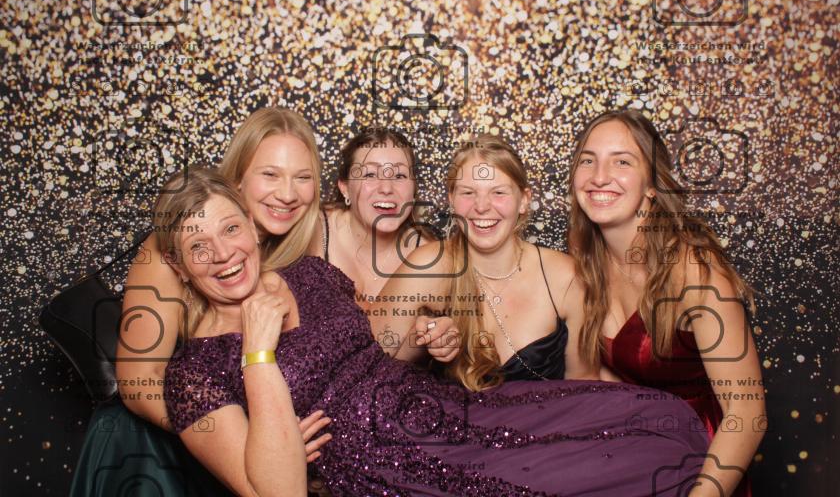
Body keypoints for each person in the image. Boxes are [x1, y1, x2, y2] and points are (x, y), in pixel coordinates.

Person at [161, 168, 709, 495]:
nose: (223, 253)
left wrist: (432, 335)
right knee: (617, 474)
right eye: (198, 247)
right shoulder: (192, 372)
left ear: (252, 228)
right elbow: (278, 491)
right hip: (395, 471)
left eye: (230, 228)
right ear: (180, 268)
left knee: (660, 420)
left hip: (451, 411)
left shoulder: (311, 274)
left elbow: (381, 347)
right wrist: (259, 358)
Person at [70, 108, 332, 496]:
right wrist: (245, 437)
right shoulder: (165, 251)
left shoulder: (306, 238)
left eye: (303, 178)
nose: (288, 193)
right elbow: (139, 381)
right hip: (157, 443)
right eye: (270, 175)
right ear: (237, 179)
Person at [567, 109, 765, 496]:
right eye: (587, 160)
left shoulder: (695, 272)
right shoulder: (584, 257)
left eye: (622, 162)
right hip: (631, 458)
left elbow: (747, 413)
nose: (599, 176)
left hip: (701, 464)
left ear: (652, 186)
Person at [370, 134, 594, 386]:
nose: (482, 206)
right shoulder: (427, 266)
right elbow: (365, 365)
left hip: (551, 412)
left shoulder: (566, 276)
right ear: (451, 200)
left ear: (524, 200)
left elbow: (584, 387)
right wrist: (419, 342)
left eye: (498, 192)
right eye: (468, 192)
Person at [319, 127, 428, 304]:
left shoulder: (429, 256)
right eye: (370, 174)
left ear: (414, 190)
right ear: (345, 187)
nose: (386, 188)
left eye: (399, 175)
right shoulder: (313, 231)